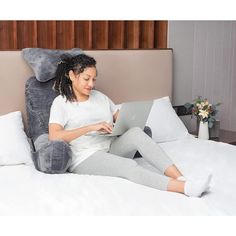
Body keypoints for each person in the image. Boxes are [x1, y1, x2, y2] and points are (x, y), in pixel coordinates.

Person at [48, 53, 212, 197]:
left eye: (94, 79)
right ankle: (186, 188)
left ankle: (180, 177)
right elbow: (54, 135)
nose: (91, 84)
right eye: (86, 79)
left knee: (136, 133)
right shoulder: (61, 102)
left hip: (110, 147)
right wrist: (91, 127)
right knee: (128, 166)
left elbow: (120, 118)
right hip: (84, 157)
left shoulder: (100, 97)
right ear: (71, 75)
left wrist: (124, 124)